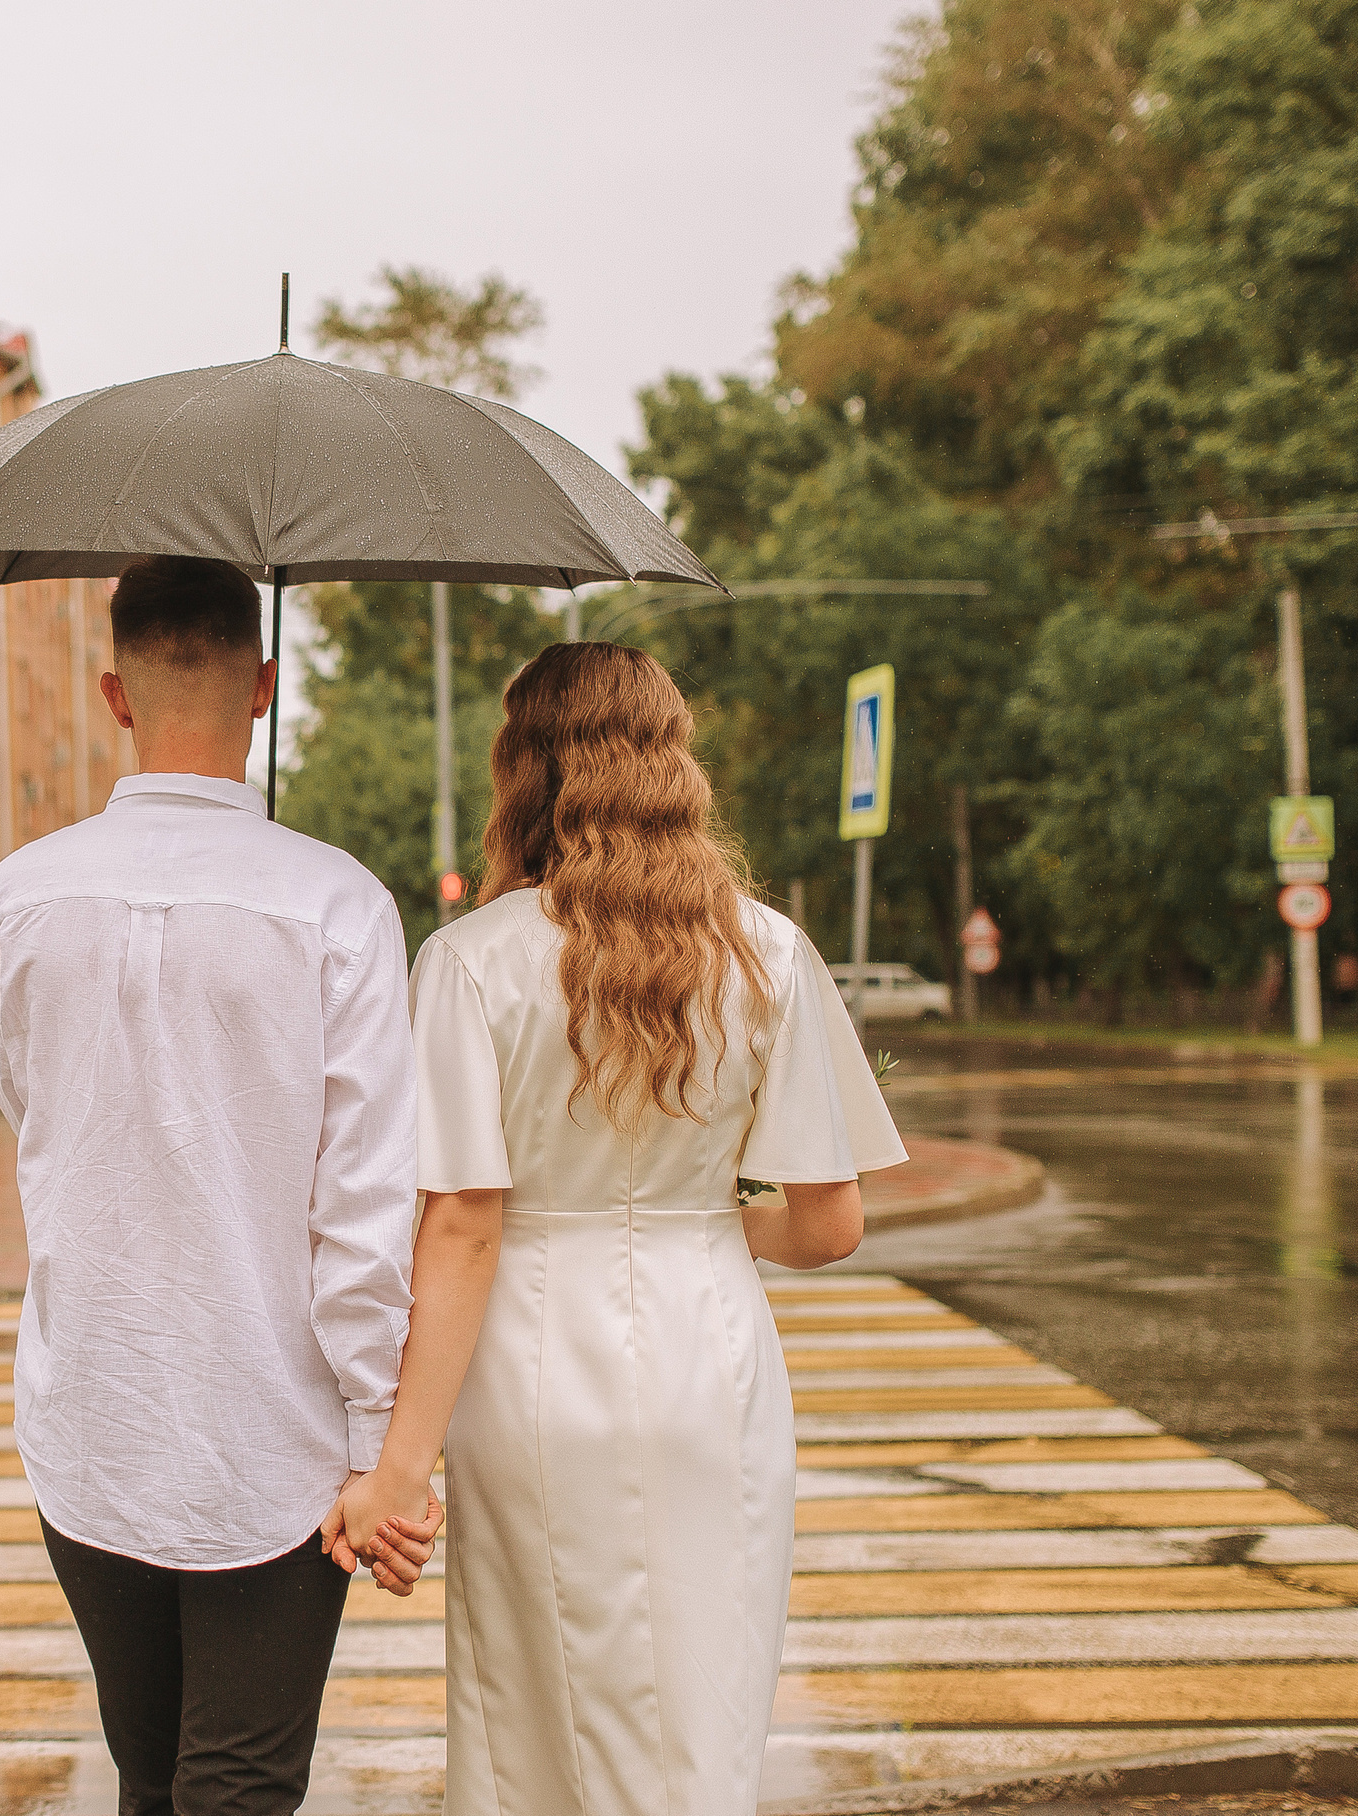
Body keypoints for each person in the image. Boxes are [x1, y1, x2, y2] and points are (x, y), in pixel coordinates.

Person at [328, 641, 908, 1816]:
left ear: (525, 771)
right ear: (670, 767)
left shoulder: (469, 961)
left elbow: (463, 1231)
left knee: (537, 1717)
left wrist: (396, 1468)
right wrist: (709, 1230)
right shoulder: (769, 952)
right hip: (718, 1366)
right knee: (705, 1701)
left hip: (534, 1367)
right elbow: (832, 1224)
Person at [0, 554, 420, 1816]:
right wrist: (380, 1440)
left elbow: (29, 1107)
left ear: (113, 693)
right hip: (265, 1428)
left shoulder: (17, 895)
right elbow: (366, 1203)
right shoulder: (339, 904)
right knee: (241, 1781)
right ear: (265, 686)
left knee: (150, 1770)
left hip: (88, 1414)